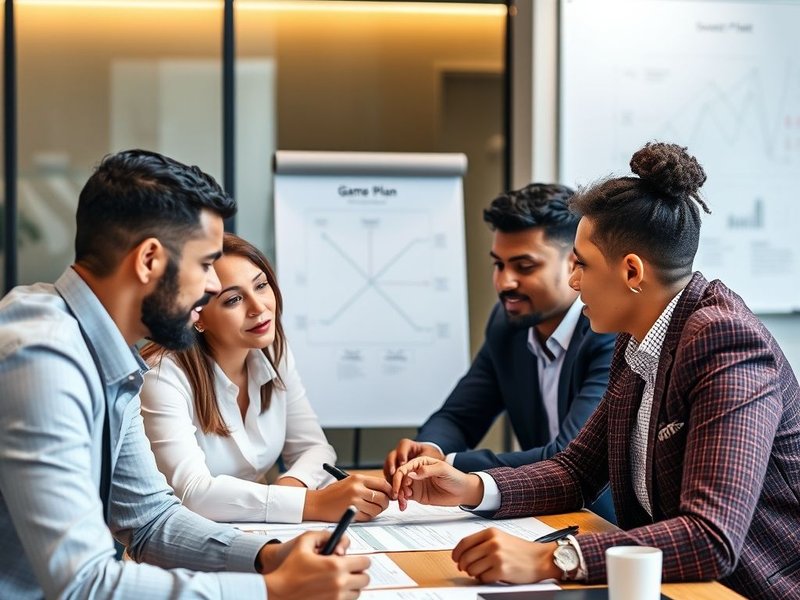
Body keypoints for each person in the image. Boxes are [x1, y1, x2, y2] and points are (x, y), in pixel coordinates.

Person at [390, 142, 800, 600]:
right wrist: (468, 486)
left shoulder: (725, 343)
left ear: (631, 272)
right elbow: (576, 471)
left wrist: (552, 558)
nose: (573, 280)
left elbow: (710, 537)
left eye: (581, 264)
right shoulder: (639, 333)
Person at [0, 150, 369, 599]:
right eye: (206, 264)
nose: (213, 286)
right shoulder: (44, 357)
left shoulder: (107, 354)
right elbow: (83, 584)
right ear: (149, 260)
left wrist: (269, 555)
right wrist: (271, 591)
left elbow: (150, 519)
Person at [383, 183, 617, 522]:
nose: (505, 282)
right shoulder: (507, 326)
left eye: (524, 266)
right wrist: (429, 449)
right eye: (498, 264)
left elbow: (566, 455)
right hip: (532, 515)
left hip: (604, 523)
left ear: (573, 265)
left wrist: (446, 466)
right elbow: (459, 415)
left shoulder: (607, 334)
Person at [140, 233, 392, 524]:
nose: (259, 308)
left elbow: (315, 448)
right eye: (233, 299)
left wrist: (289, 493)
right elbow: (191, 493)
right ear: (198, 315)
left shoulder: (271, 350)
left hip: (254, 531)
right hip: (181, 543)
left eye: (261, 285)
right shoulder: (161, 375)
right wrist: (311, 503)